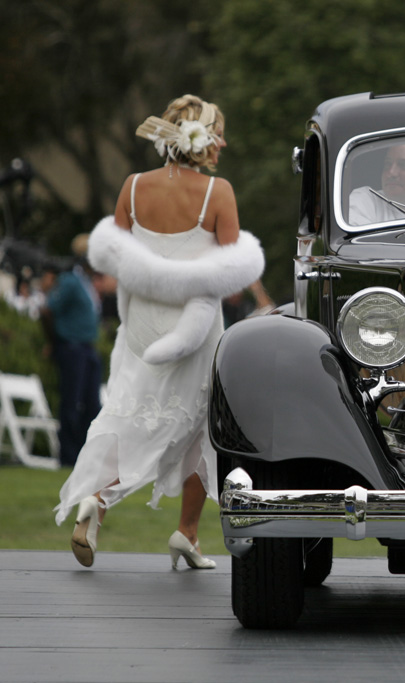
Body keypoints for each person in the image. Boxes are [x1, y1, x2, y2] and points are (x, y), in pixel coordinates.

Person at [53, 94, 264, 570]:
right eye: (219, 133)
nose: (224, 143)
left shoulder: (131, 187)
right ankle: (186, 532)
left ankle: (96, 505)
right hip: (195, 324)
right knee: (199, 428)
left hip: (142, 328)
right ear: (203, 140)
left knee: (128, 415)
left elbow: (119, 263)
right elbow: (230, 274)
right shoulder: (219, 193)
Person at [39, 258, 102, 468]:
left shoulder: (85, 281)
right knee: (71, 403)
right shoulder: (70, 280)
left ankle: (86, 453)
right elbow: (48, 309)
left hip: (87, 347)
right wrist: (53, 341)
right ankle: (68, 456)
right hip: (72, 346)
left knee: (92, 403)